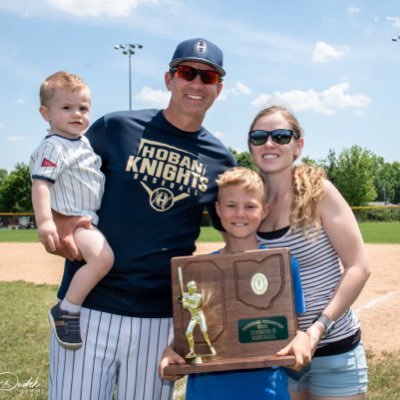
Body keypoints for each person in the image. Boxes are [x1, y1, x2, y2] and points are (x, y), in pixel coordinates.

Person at [46, 38, 237, 400]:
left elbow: (237, 232)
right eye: (186, 72)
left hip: (160, 318)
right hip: (90, 309)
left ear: (218, 88)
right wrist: (58, 222)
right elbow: (61, 171)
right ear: (169, 79)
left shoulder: (220, 160)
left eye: (207, 77)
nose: (196, 83)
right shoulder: (116, 127)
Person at [248, 105, 371, 399]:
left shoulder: (320, 192)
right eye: (258, 137)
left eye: (280, 136)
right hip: (280, 352)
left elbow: (359, 267)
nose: (269, 143)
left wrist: (317, 329)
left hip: (333, 348)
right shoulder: (249, 203)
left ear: (298, 145)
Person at [160, 166, 309, 400]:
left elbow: (294, 330)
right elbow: (185, 337)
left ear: (264, 210)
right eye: (231, 205)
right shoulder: (197, 272)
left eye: (250, 206)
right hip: (208, 393)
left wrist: (302, 340)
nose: (240, 213)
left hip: (266, 393)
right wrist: (172, 353)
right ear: (218, 209)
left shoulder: (283, 266)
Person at [30, 71, 114, 350]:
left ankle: (69, 306)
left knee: (102, 259)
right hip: (75, 221)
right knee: (103, 259)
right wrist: (45, 222)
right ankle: (67, 309)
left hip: (87, 219)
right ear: (46, 113)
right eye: (66, 108)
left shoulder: (82, 142)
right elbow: (41, 184)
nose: (77, 114)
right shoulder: (53, 146)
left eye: (83, 108)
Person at [180, 279, 216, 358]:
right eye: (193, 286)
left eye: (195, 286)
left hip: (200, 316)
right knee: (188, 333)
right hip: (193, 317)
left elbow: (194, 306)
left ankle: (211, 347)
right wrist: (184, 301)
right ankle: (192, 351)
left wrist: (186, 301)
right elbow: (184, 307)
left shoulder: (198, 296)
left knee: (204, 332)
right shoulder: (185, 295)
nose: (195, 287)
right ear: (189, 287)